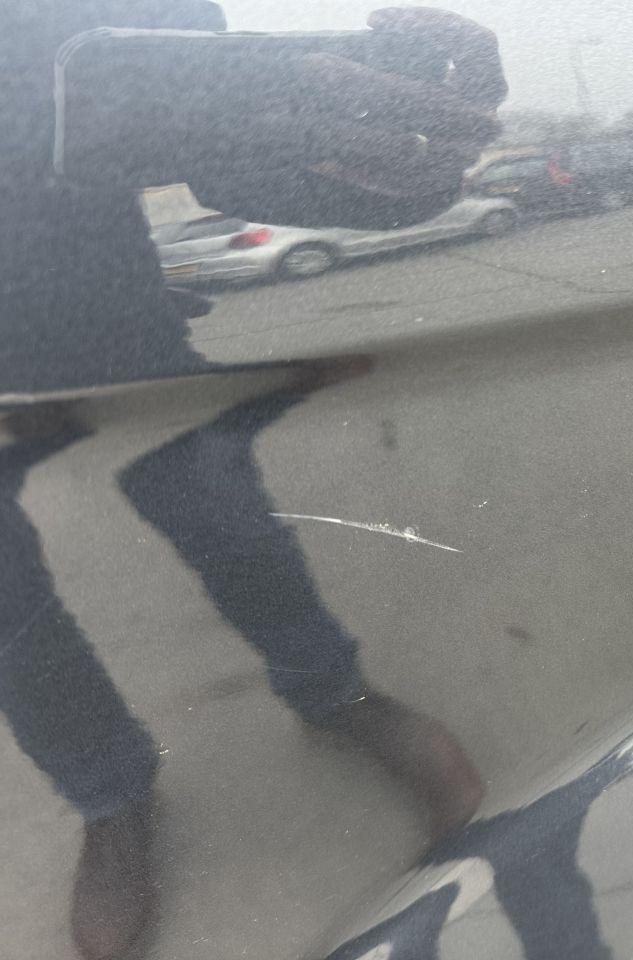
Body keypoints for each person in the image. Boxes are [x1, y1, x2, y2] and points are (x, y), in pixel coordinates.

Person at [0, 3, 507, 957]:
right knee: (5, 613)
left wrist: (385, 173)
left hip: (116, 330)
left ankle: (333, 694)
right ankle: (109, 794)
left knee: (229, 521)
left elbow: (228, 149)